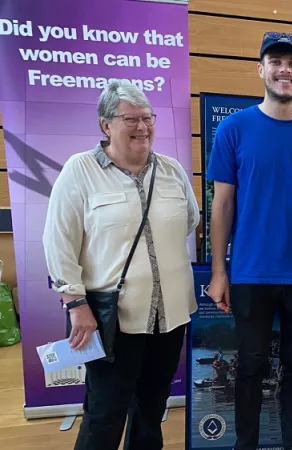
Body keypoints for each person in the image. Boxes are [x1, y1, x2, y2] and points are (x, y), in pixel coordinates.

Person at [42, 79, 200, 450]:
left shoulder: (173, 169)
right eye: (131, 118)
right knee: (105, 411)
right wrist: (76, 303)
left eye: (148, 117)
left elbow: (189, 221)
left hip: (170, 318)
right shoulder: (79, 171)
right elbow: (58, 241)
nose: (142, 127)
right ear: (105, 124)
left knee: (151, 408)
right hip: (111, 320)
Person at [205, 31, 292, 450]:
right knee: (250, 364)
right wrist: (218, 271)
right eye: (276, 61)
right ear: (261, 70)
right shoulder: (233, 128)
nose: (285, 70)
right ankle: (245, 444)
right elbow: (222, 205)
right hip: (250, 271)